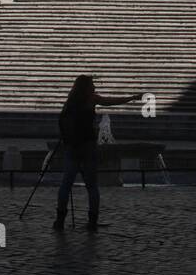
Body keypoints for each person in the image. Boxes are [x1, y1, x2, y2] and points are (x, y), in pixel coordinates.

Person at [54, 76, 140, 232]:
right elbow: (111, 101)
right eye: (92, 84)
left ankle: (60, 219)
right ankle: (92, 221)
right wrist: (132, 98)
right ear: (87, 87)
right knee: (92, 185)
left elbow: (62, 122)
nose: (94, 86)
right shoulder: (91, 99)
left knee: (66, 184)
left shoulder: (70, 101)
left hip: (72, 146)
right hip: (88, 146)